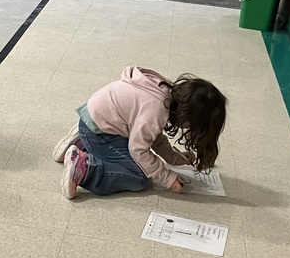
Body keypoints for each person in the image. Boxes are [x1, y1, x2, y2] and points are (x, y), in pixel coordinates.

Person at [53, 68, 227, 199]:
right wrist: (166, 177)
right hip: (100, 132)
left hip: (97, 119)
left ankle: (83, 141)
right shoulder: (155, 112)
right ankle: (85, 168)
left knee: (143, 165)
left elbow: (153, 137)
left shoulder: (164, 94)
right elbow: (138, 150)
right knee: (139, 177)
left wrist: (173, 158)